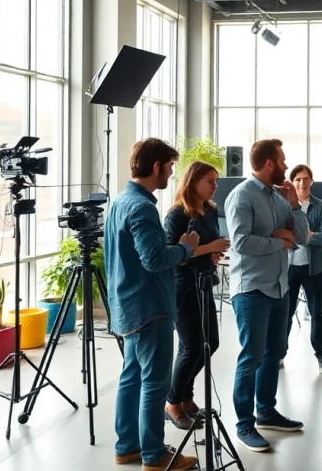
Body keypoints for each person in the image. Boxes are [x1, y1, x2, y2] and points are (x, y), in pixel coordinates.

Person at [105, 138, 200, 471]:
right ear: (157, 166)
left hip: (128, 306)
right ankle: (155, 456)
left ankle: (127, 447)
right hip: (150, 308)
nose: (172, 173)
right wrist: (186, 247)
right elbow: (155, 258)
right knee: (155, 383)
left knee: (132, 378)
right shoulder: (143, 207)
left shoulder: (120, 200)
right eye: (170, 166)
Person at [225, 139, 310, 453]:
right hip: (252, 290)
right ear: (270, 163)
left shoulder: (280, 197)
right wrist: (280, 243)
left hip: (280, 287)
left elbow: (301, 237)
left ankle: (266, 411)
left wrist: (295, 207)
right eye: (283, 161)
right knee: (252, 357)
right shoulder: (241, 197)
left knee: (275, 352)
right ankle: (244, 425)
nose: (287, 166)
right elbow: (241, 242)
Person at [162, 162, 232, 430]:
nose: (215, 186)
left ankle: (186, 398)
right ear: (193, 182)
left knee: (209, 343)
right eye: (210, 181)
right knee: (191, 347)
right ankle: (172, 402)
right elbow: (172, 255)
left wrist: (212, 253)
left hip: (203, 283)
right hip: (183, 287)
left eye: (215, 181)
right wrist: (209, 247)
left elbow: (205, 247)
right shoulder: (177, 215)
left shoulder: (211, 211)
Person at [286, 164, 322, 374]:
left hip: (313, 267)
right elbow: (279, 232)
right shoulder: (283, 204)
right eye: (297, 179)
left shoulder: (320, 206)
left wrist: (305, 236)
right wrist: (309, 235)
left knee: (317, 313)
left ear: (311, 181)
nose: (302, 183)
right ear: (292, 182)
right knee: (285, 313)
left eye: (305, 178)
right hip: (288, 266)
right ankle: (278, 354)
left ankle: (321, 356)